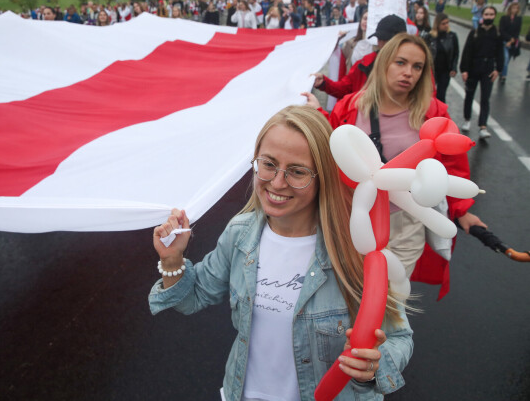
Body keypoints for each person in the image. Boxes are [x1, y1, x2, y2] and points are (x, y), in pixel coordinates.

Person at [149, 105, 413, 401]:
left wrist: (373, 365)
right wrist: (171, 260)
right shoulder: (240, 233)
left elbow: (399, 337)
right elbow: (192, 298)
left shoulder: (356, 248)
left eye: (297, 171)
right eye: (269, 164)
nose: (276, 182)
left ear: (322, 176)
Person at [306, 33, 486, 287]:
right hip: (355, 218)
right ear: (384, 63)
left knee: (392, 299)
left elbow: (451, 167)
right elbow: (334, 144)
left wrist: (462, 210)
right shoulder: (351, 106)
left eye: (417, 66)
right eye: (400, 63)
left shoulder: (434, 113)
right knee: (351, 293)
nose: (408, 73)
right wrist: (317, 114)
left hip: (407, 222)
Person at [312, 14, 407, 100]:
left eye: (386, 39)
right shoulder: (365, 63)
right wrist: (324, 83)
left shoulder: (409, 71)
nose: (380, 43)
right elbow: (345, 88)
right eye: (379, 38)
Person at [460, 6, 504, 139]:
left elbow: (500, 53)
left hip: (488, 69)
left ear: (494, 16)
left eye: (491, 14)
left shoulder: (497, 34)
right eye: (486, 14)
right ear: (482, 16)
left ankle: (483, 126)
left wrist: (498, 69)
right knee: (469, 95)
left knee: (485, 98)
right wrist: (464, 70)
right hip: (474, 67)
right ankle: (467, 119)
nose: (489, 17)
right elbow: (467, 51)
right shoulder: (475, 32)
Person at [423, 13, 459, 103]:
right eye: (443, 23)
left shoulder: (452, 36)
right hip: (432, 70)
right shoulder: (430, 37)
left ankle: (440, 114)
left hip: (445, 70)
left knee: (441, 95)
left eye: (447, 23)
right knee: (429, 94)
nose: (446, 25)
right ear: (437, 24)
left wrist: (454, 67)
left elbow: (455, 53)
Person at [498, 2, 522, 85]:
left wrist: (512, 40)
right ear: (510, 8)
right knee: (505, 58)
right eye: (513, 8)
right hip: (504, 41)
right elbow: (502, 30)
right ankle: (504, 76)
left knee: (507, 61)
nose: (515, 10)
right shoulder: (504, 18)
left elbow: (517, 31)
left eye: (516, 8)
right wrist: (508, 39)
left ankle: (501, 71)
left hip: (513, 43)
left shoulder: (519, 19)